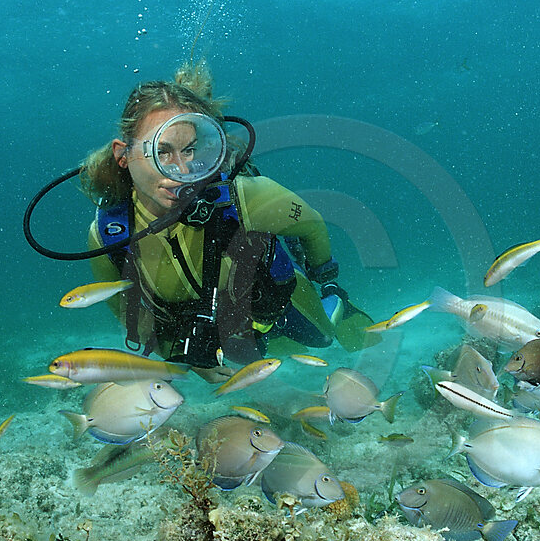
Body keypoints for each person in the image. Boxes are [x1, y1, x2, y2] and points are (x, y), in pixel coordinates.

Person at [77, 62, 376, 380]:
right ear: (123, 155)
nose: (180, 169)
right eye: (161, 152)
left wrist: (325, 276)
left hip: (277, 305)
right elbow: (132, 315)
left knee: (323, 338)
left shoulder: (244, 196)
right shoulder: (108, 236)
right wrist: (189, 360)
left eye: (189, 150)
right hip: (209, 326)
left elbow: (311, 224)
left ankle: (334, 301)